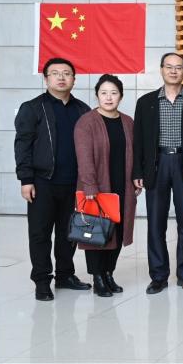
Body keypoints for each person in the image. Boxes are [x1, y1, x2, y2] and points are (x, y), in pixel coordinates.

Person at [15, 57, 92, 301]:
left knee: (68, 233)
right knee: (40, 233)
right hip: (42, 182)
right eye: (55, 73)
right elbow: (22, 145)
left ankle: (65, 275)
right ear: (46, 78)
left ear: (74, 79)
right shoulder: (32, 108)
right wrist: (25, 179)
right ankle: (41, 280)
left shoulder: (83, 110)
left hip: (73, 183)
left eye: (66, 73)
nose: (61, 77)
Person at [132, 52, 183, 294]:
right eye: (169, 67)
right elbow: (138, 140)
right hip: (156, 164)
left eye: (178, 67)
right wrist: (137, 170)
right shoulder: (146, 102)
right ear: (161, 70)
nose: (173, 71)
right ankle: (158, 276)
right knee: (155, 222)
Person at [73, 75, 139, 298]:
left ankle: (109, 273)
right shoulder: (86, 122)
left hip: (122, 187)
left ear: (121, 96)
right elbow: (83, 157)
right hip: (97, 187)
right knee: (95, 232)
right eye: (104, 93)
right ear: (97, 95)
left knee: (117, 232)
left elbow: (135, 154)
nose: (109, 97)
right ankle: (97, 276)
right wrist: (90, 185)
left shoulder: (128, 122)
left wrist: (136, 179)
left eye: (113, 93)